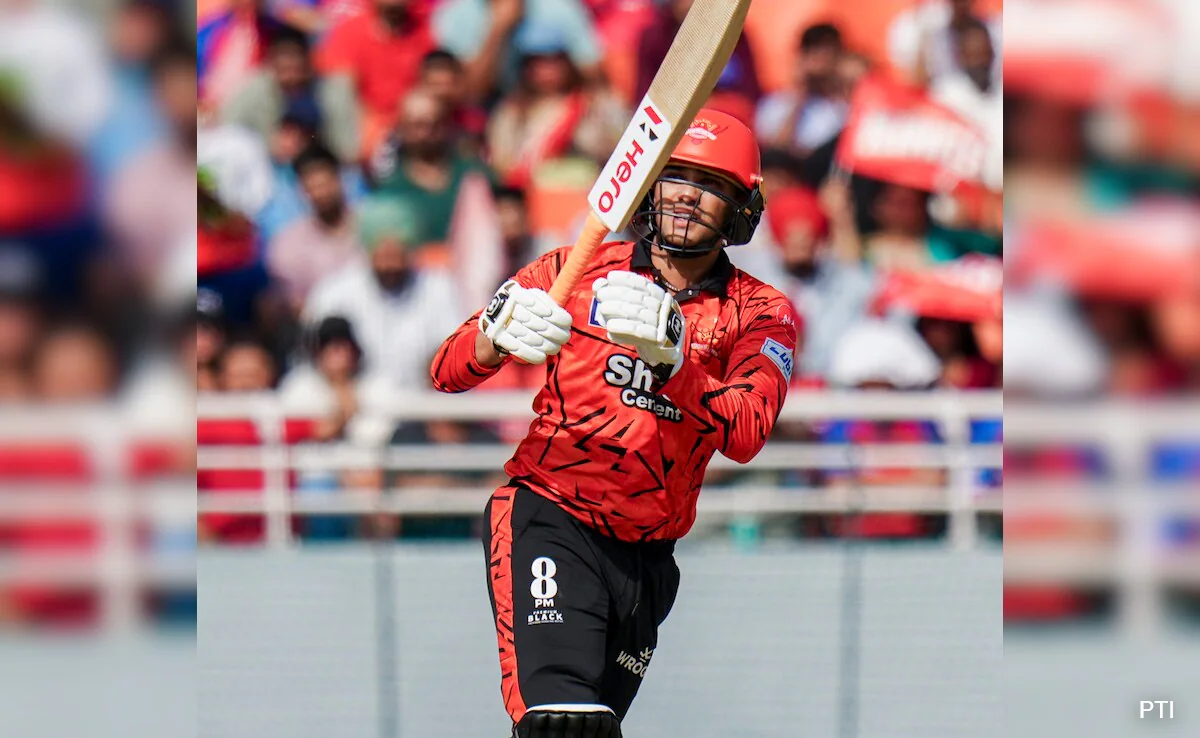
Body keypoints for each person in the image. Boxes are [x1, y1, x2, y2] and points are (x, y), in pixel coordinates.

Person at [430, 109, 797, 737]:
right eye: (676, 176)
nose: (686, 195)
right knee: (562, 720)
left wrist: (675, 363)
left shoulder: (762, 310)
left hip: (649, 560)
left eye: (709, 184)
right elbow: (446, 371)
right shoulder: (575, 268)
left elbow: (748, 431)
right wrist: (494, 335)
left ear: (742, 206)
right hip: (552, 515)